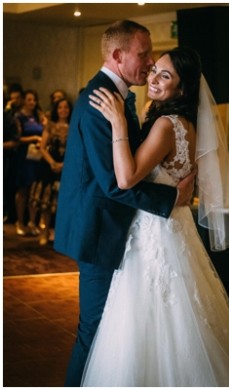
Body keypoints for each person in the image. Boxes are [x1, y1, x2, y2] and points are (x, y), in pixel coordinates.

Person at [81, 47, 229, 386]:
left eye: (165, 76)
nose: (154, 79)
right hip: (174, 227)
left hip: (154, 233)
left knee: (152, 320)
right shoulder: (183, 123)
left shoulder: (165, 125)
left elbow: (126, 178)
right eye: (154, 71)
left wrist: (118, 122)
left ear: (182, 88)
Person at [54, 20, 195, 386]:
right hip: (99, 229)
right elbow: (115, 183)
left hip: (119, 230)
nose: (149, 64)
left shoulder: (121, 97)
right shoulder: (100, 99)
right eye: (144, 54)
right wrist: (173, 197)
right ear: (118, 55)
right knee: (94, 330)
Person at [33, 97, 71, 245]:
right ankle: (44, 231)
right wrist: (52, 162)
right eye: (60, 107)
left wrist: (64, 164)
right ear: (56, 110)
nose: (63, 110)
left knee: (62, 202)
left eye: (66, 107)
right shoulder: (50, 125)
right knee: (46, 202)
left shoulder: (73, 125)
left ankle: (60, 234)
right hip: (49, 166)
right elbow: (42, 147)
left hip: (67, 166)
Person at [13, 89, 47, 236]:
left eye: (34, 100)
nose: (32, 102)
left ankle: (32, 222)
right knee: (23, 190)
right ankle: (20, 222)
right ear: (23, 101)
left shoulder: (39, 116)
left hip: (37, 157)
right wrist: (33, 138)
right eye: (29, 100)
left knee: (35, 191)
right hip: (23, 157)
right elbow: (16, 138)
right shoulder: (18, 117)